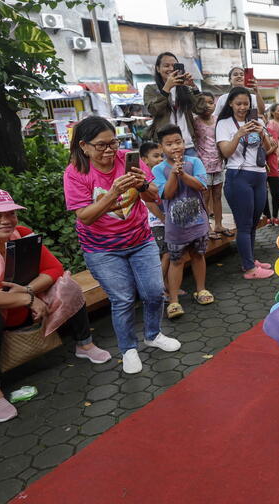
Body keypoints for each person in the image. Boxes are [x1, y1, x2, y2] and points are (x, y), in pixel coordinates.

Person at [0, 188, 111, 422]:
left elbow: (54, 269)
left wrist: (29, 290)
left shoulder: (22, 235)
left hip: (14, 305)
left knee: (66, 285)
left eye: (11, 214)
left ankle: (84, 344)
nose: (6, 221)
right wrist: (28, 299)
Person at [64, 116, 181, 375]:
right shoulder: (76, 172)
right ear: (84, 146)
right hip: (102, 248)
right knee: (123, 299)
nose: (109, 151)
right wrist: (113, 194)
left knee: (153, 291)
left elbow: (154, 195)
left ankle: (153, 334)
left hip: (139, 238)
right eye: (101, 145)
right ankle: (128, 349)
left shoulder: (127, 158)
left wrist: (141, 183)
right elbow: (85, 216)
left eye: (113, 143)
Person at [153, 125, 214, 319]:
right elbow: (167, 194)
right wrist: (173, 174)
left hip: (198, 222)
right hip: (175, 227)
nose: (175, 147)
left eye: (178, 142)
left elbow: (202, 185)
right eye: (169, 144)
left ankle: (201, 289)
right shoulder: (158, 169)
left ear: (184, 142)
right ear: (161, 147)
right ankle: (173, 301)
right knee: (176, 260)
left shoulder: (195, 161)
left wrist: (183, 174)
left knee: (198, 254)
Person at [216, 87, 276, 279]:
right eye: (238, 103)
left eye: (246, 104)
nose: (243, 107)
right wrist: (239, 134)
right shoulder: (224, 123)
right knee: (243, 224)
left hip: (259, 175)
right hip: (238, 176)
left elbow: (268, 149)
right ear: (231, 105)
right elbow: (226, 152)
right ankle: (249, 269)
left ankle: (249, 260)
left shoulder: (257, 120)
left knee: (252, 223)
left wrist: (262, 134)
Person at [143, 52, 206, 150]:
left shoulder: (185, 89)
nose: (171, 69)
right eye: (166, 66)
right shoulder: (151, 89)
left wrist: (193, 87)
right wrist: (167, 88)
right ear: (158, 69)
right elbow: (153, 110)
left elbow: (201, 109)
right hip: (164, 147)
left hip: (188, 144)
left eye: (174, 66)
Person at [192, 91, 229, 240]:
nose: (207, 106)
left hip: (218, 163)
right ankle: (206, 226)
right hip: (203, 165)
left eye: (210, 102)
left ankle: (219, 224)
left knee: (218, 195)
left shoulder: (218, 120)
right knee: (205, 197)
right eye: (203, 102)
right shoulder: (195, 121)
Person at [139, 141, 172, 289]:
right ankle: (160, 288)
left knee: (167, 253)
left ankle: (165, 285)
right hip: (155, 222)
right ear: (144, 159)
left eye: (161, 156)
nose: (160, 159)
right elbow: (149, 203)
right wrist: (163, 218)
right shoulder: (143, 177)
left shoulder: (160, 172)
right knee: (165, 254)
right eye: (155, 156)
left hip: (161, 220)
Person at [263, 103, 279, 226]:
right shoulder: (270, 126)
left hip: (276, 161)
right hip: (267, 161)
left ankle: (275, 216)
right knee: (264, 191)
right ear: (273, 112)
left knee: (276, 192)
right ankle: (268, 217)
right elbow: (271, 146)